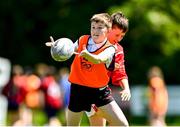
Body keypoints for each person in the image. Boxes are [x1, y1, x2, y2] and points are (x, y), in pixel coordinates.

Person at [46, 13, 129, 126]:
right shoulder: (83, 40)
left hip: (99, 93)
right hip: (78, 90)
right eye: (93, 27)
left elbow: (99, 59)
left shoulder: (112, 49)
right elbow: (69, 50)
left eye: (100, 28)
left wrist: (88, 55)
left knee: (123, 124)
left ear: (108, 30)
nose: (95, 30)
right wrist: (57, 46)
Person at [86, 12, 131, 126]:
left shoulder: (118, 50)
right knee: (122, 124)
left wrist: (126, 88)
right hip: (89, 92)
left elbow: (120, 72)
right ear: (108, 29)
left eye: (122, 36)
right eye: (117, 35)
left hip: (102, 92)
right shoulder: (92, 43)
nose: (119, 39)